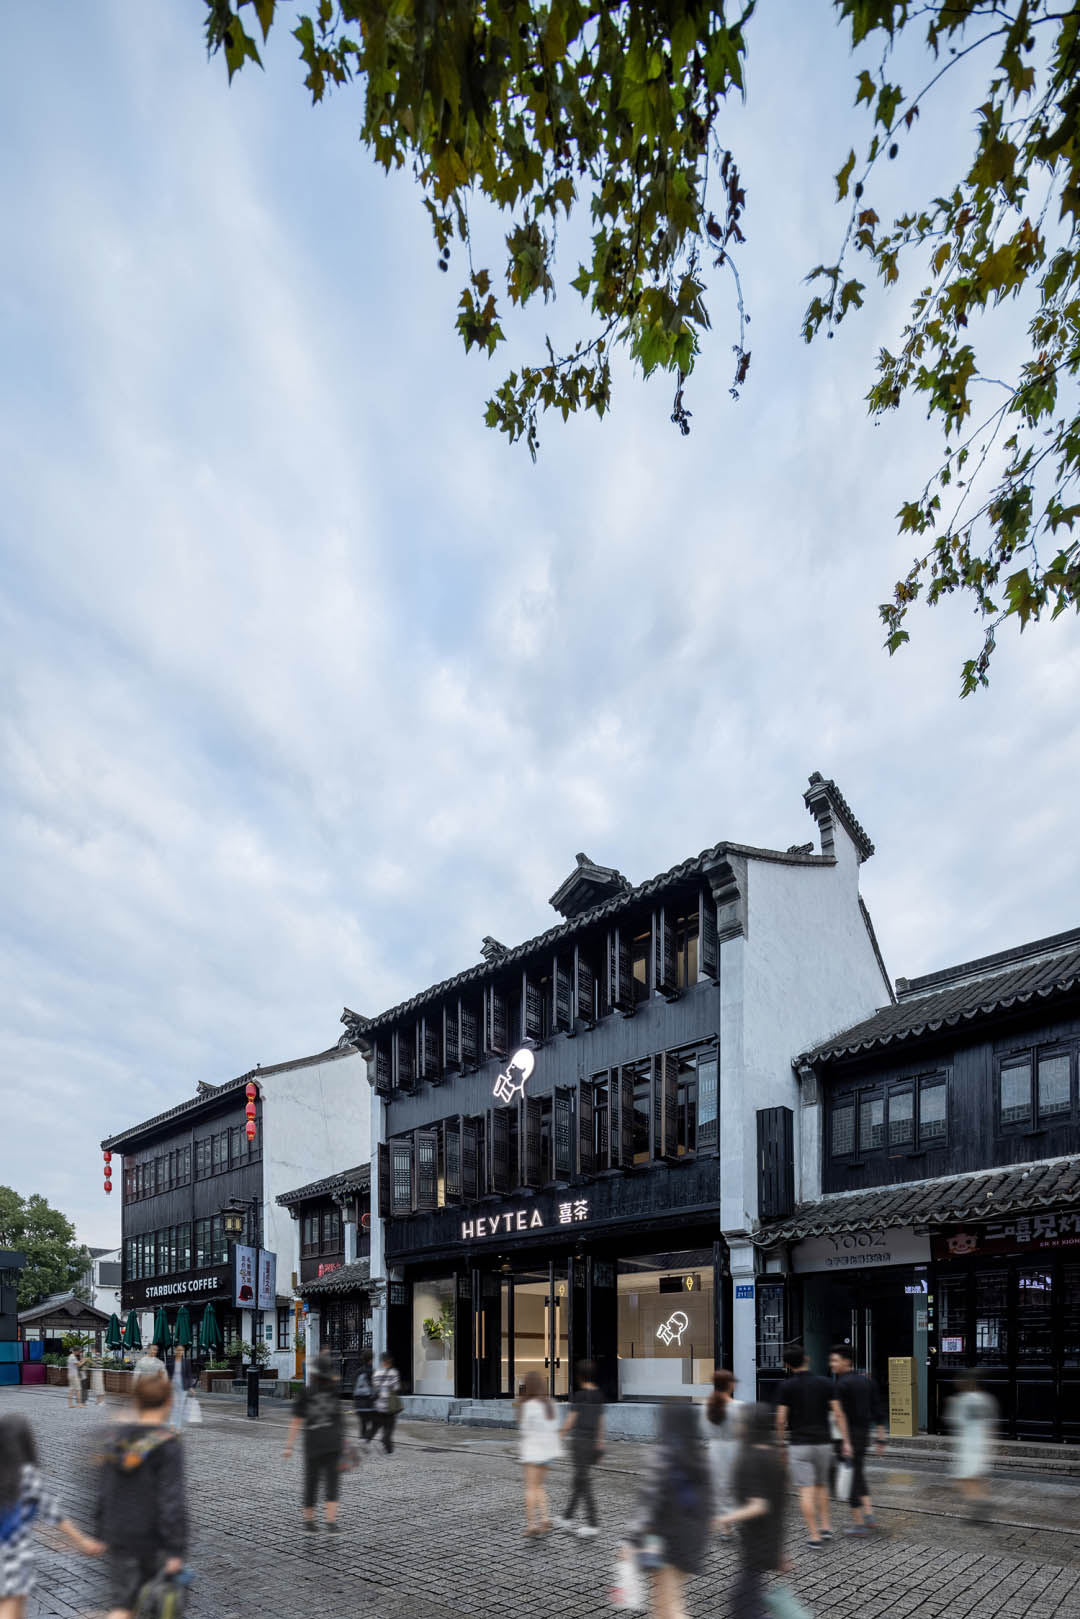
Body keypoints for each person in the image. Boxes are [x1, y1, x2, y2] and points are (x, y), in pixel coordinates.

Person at [93, 1370, 188, 1619]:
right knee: (160, 1605)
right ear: (169, 1403)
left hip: (118, 1531)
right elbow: (172, 1500)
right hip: (150, 1536)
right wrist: (176, 1549)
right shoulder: (167, 1445)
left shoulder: (115, 1438)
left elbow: (105, 1487)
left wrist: (101, 1528)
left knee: (123, 1604)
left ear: (136, 1402)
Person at [0, 1412, 103, 1617]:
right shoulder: (27, 1474)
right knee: (10, 1607)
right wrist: (82, 1541)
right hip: (14, 1555)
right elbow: (52, 1513)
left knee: (16, 1605)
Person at [626, 1402, 712, 1619]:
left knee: (670, 1604)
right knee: (663, 1600)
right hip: (690, 1539)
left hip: (665, 1539)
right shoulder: (699, 1458)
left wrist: (632, 1540)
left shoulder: (664, 1455)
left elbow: (649, 1501)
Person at [716, 1403, 788, 1619]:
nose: (737, 1425)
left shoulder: (751, 1457)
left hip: (755, 1544)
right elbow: (778, 1504)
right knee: (745, 1603)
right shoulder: (774, 1456)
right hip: (766, 1541)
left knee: (743, 1607)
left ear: (750, 1425)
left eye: (740, 1422)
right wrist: (778, 1551)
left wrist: (722, 1518)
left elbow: (759, 1505)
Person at [775, 1346, 849, 1548]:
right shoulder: (826, 1383)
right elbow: (839, 1414)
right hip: (823, 1443)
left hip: (799, 1444)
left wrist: (781, 1443)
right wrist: (846, 1441)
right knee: (822, 1485)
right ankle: (826, 1527)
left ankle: (815, 1536)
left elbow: (781, 1420)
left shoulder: (786, 1387)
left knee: (806, 1490)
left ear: (787, 1365)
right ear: (806, 1359)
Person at [283, 1352, 345, 1532]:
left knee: (311, 1481)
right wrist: (344, 1441)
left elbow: (296, 1420)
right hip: (333, 1442)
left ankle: (309, 1520)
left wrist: (289, 1446)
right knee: (332, 1482)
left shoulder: (305, 1393)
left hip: (313, 1444)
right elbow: (339, 1419)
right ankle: (331, 1522)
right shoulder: (334, 1391)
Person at [828, 1345, 885, 1534]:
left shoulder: (840, 1385)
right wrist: (880, 1438)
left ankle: (859, 1524)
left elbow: (839, 1416)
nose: (832, 1364)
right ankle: (869, 1515)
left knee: (849, 1478)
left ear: (847, 1361)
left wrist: (845, 1442)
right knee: (858, 1473)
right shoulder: (868, 1382)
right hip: (863, 1435)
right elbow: (877, 1410)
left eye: (835, 1360)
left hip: (847, 1437)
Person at [556, 1360, 604, 1538]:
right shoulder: (598, 1395)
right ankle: (567, 1517)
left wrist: (558, 1437)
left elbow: (570, 1421)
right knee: (579, 1481)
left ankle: (593, 1523)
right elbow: (601, 1423)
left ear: (579, 1376)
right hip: (591, 1443)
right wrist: (599, 1444)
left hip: (579, 1442)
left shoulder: (580, 1396)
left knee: (583, 1482)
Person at [944, 1374, 998, 1518]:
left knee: (962, 1478)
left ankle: (979, 1502)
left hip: (967, 1443)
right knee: (974, 1476)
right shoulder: (987, 1399)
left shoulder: (961, 1400)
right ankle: (981, 1501)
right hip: (981, 1443)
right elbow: (991, 1424)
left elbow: (954, 1420)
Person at [517, 1370, 562, 1538]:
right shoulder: (551, 1403)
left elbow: (525, 1429)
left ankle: (531, 1525)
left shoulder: (529, 1406)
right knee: (539, 1486)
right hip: (549, 1451)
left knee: (530, 1488)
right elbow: (555, 1427)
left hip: (534, 1451)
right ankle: (544, 1518)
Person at [702, 1369, 743, 1532]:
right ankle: (738, 1520)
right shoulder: (738, 1407)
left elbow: (704, 1430)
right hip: (734, 1448)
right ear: (730, 1385)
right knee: (737, 1486)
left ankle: (726, 1527)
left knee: (720, 1486)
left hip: (715, 1449)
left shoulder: (706, 1405)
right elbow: (742, 1433)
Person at [371, 1352, 401, 1455]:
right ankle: (386, 1442)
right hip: (389, 1403)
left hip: (379, 1404)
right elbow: (396, 1387)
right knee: (390, 1426)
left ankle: (385, 1442)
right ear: (389, 1360)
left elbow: (374, 1386)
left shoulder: (376, 1373)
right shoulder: (393, 1372)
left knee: (383, 1424)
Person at [169, 1347, 196, 1431]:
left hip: (183, 1386)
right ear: (175, 1351)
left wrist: (190, 1387)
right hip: (173, 1386)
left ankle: (178, 1426)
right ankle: (172, 1424)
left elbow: (189, 1375)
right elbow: (168, 1375)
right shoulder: (171, 1361)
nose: (180, 1352)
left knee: (180, 1407)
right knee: (174, 1406)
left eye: (182, 1350)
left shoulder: (186, 1362)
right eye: (178, 1350)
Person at [353, 1352, 376, 1444]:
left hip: (358, 1401)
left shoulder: (358, 1371)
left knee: (363, 1420)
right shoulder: (372, 1371)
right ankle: (366, 1437)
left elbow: (353, 1385)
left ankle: (362, 1437)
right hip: (368, 1400)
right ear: (371, 1359)